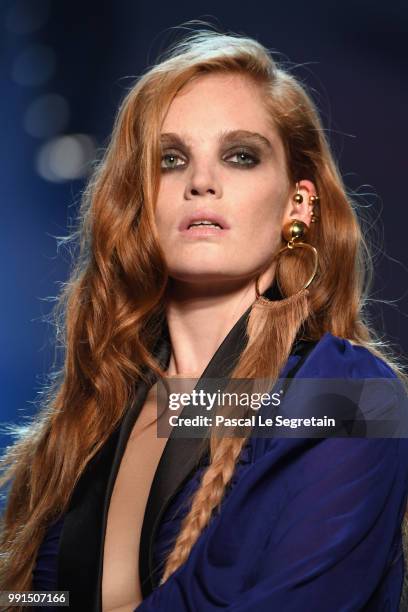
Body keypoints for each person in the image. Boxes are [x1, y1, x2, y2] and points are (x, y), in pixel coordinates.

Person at [1, 26, 408, 612]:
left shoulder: (356, 399)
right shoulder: (91, 421)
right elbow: (45, 599)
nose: (201, 182)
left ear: (298, 203)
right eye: (171, 160)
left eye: (241, 156)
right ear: (140, 201)